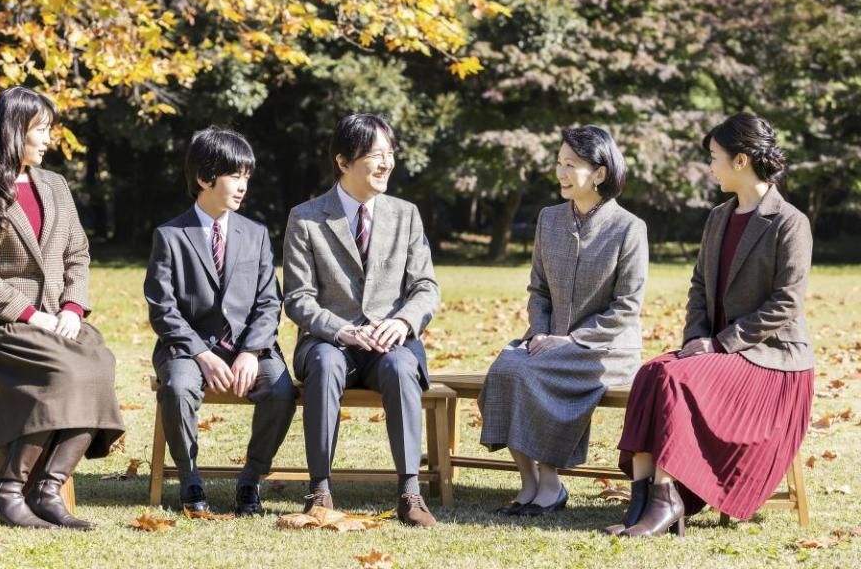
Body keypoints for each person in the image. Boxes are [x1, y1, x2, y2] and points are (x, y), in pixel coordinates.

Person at [608, 112, 814, 537]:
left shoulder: (790, 222)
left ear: (741, 161)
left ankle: (668, 500)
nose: (710, 165)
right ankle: (642, 500)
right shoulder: (719, 217)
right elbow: (700, 286)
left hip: (774, 364)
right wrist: (697, 339)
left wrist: (719, 345)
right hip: (717, 352)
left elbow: (786, 302)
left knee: (675, 380)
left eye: (714, 157)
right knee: (652, 372)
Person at [0, 86, 124, 530]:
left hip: (59, 320)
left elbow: (78, 254)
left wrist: (73, 307)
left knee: (99, 365)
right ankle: (6, 492)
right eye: (40, 129)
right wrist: (30, 314)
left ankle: (47, 490)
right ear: (13, 131)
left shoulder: (57, 186)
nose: (48, 139)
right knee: (62, 373)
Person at [478, 125, 649, 517]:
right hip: (546, 340)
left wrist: (571, 340)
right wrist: (542, 331)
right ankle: (529, 482)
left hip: (605, 349)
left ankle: (551, 480)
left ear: (601, 173)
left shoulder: (629, 228)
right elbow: (538, 290)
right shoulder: (549, 219)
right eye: (558, 163)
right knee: (505, 368)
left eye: (571, 165)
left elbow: (626, 307)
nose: (561, 173)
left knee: (529, 373)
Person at [282, 113, 441, 527]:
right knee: (325, 363)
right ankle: (319, 488)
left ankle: (409, 490)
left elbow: (426, 287)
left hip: (390, 343)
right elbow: (297, 298)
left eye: (390, 153)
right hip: (329, 341)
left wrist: (404, 323)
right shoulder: (306, 217)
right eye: (375, 155)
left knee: (403, 365)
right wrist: (342, 330)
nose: (386, 163)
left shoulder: (406, 215)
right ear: (343, 161)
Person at [144, 126, 296, 516]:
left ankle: (251, 479)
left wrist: (251, 351)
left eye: (247, 176)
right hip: (188, 350)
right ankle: (190, 478)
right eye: (234, 175)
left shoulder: (256, 234)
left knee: (281, 391)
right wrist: (200, 355)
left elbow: (268, 301)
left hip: (249, 348)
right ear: (204, 178)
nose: (243, 185)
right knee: (177, 389)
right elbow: (162, 308)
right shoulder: (170, 235)